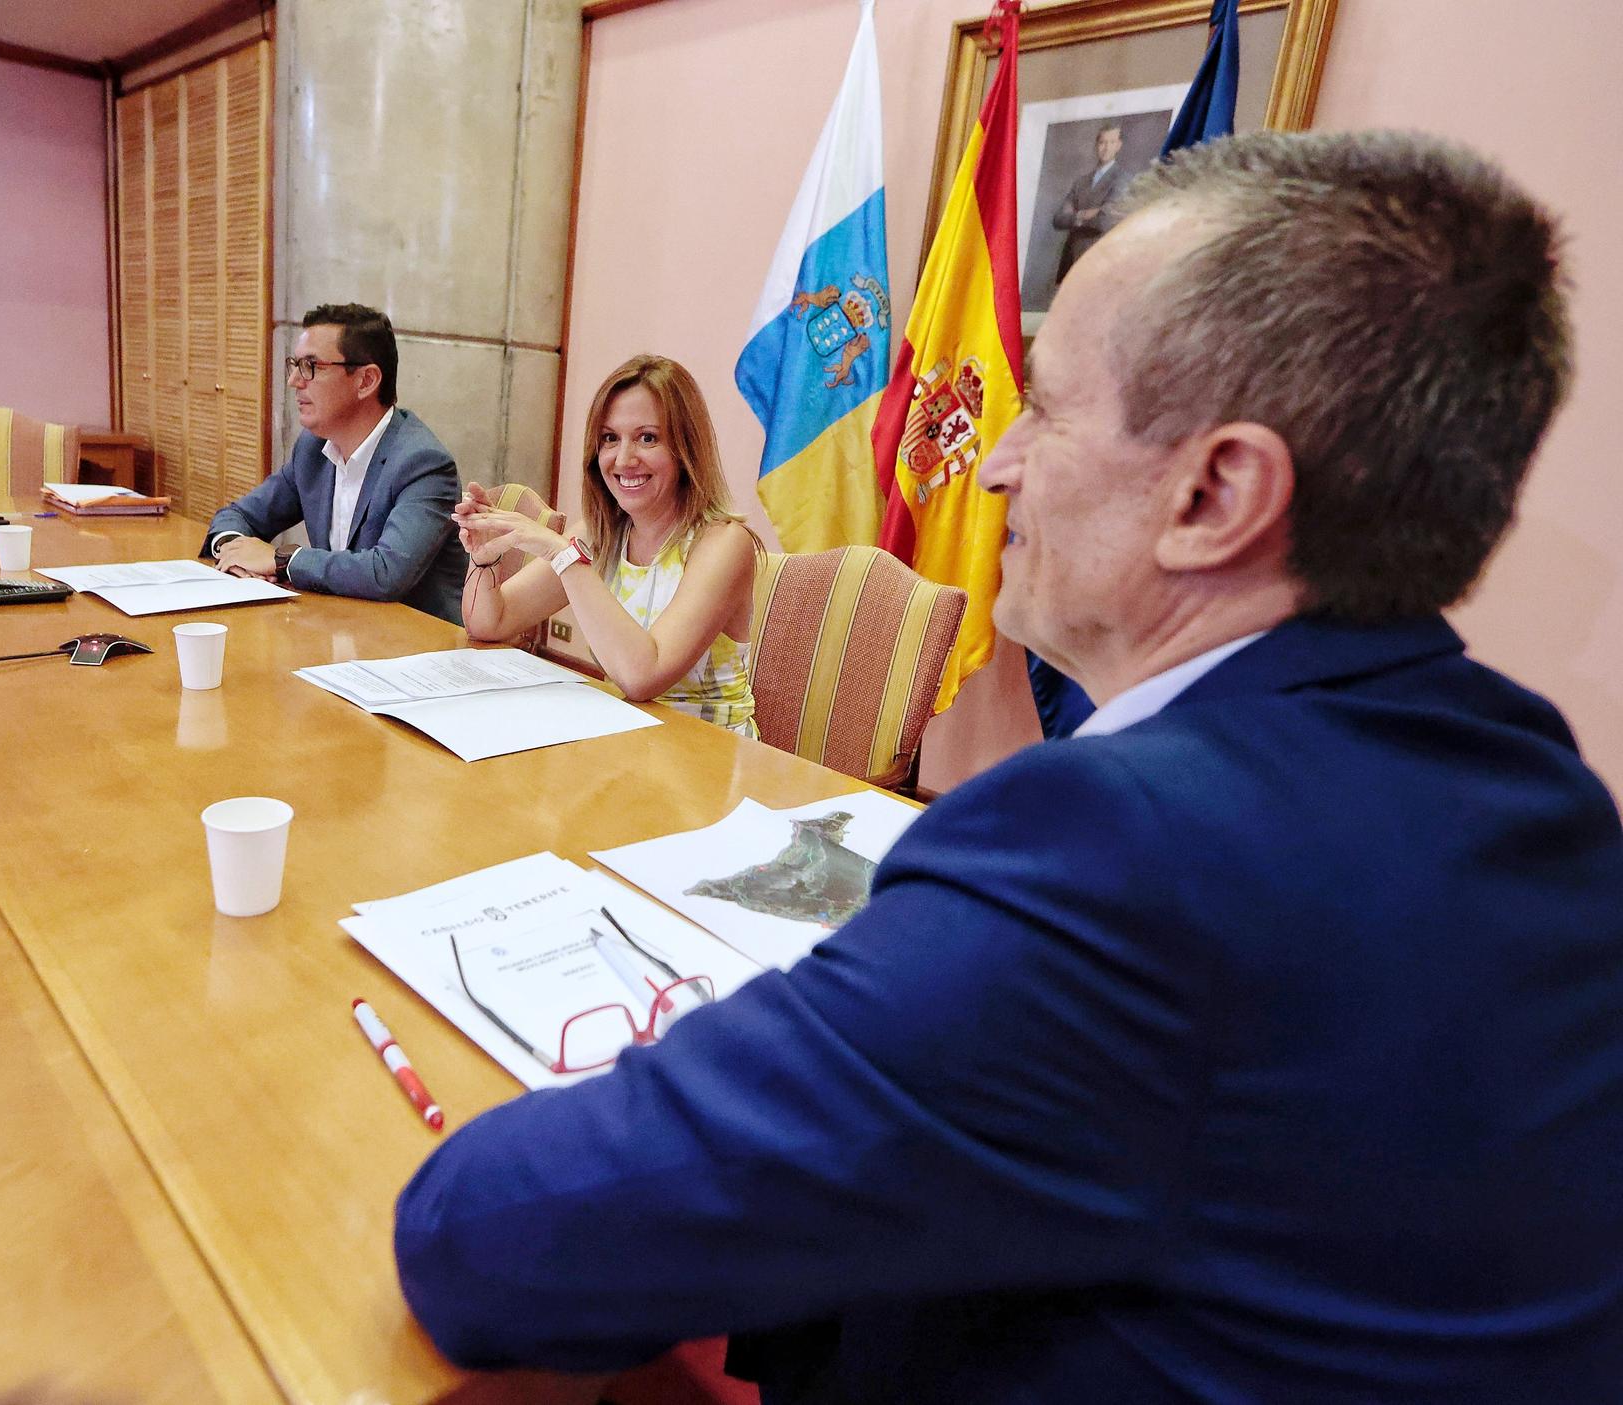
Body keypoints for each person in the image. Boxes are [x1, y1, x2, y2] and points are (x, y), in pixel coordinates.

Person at [391, 130, 1623, 1403]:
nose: (992, 463)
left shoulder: (1113, 851)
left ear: (1215, 495)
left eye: (1040, 406)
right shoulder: (1535, 782)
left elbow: (484, 1239)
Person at [455, 354, 758, 736]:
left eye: (647, 438)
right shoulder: (603, 533)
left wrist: (563, 555)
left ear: (685, 449)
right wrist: (484, 558)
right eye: (610, 439)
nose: (624, 459)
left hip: (710, 756)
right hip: (627, 740)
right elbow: (490, 623)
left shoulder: (724, 543)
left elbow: (642, 677)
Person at [203, 303, 465, 623]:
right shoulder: (313, 450)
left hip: (416, 649)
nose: (295, 381)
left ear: (366, 381)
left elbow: (386, 573)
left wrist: (282, 559)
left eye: (312, 366)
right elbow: (239, 515)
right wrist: (235, 551)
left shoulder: (423, 464)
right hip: (339, 630)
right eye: (295, 364)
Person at [1051, 122, 1128, 283]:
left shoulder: (1123, 179)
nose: (1106, 148)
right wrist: (1087, 214)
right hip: (1072, 259)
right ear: (1096, 145)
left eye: (1111, 143)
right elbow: (1058, 219)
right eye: (1102, 143)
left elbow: (1105, 221)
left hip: (1101, 259)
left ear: (1119, 146)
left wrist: (1075, 216)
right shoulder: (1081, 182)